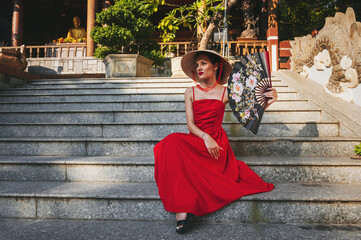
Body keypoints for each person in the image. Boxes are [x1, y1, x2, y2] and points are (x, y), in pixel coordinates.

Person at [154, 50, 278, 234]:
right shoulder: (190, 91)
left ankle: (187, 204)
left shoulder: (226, 92)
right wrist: (204, 137)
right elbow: (190, 124)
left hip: (217, 145)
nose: (199, 68)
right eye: (197, 65)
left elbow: (250, 107)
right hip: (197, 139)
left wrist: (268, 100)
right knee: (169, 143)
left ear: (216, 66)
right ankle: (181, 209)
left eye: (203, 63)